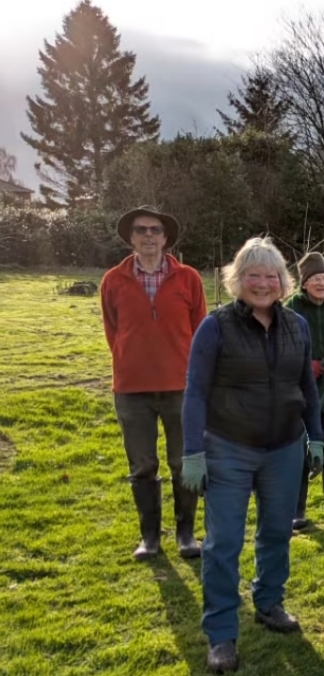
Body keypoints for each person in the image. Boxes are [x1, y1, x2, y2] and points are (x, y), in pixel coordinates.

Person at [180, 237, 324, 674]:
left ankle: (269, 601)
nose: (261, 284)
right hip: (228, 448)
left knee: (277, 531)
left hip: (284, 448)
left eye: (270, 276)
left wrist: (314, 437)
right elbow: (195, 392)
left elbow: (308, 388)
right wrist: (193, 452)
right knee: (223, 543)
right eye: (252, 275)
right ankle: (221, 633)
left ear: (282, 282)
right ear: (237, 280)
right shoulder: (216, 327)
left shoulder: (298, 325)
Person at [99, 205, 206, 561]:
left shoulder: (189, 278)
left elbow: (200, 330)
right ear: (131, 237)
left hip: (181, 387)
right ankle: (150, 538)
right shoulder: (112, 280)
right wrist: (131, 361)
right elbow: (112, 330)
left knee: (183, 461)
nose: (148, 236)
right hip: (131, 389)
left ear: (165, 238)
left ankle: (186, 534)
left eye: (155, 230)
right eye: (141, 230)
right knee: (142, 465)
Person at [284, 252, 324, 528]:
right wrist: (303, 364)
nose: (322, 283)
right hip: (301, 392)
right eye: (315, 279)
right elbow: (281, 344)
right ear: (304, 283)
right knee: (300, 449)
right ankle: (296, 509)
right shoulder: (291, 308)